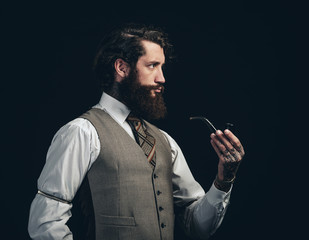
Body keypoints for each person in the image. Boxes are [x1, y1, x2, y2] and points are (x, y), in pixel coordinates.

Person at [28, 23, 245, 240]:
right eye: (152, 66)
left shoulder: (165, 141)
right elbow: (46, 222)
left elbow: (197, 227)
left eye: (162, 67)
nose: (162, 78)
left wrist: (224, 179)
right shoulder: (81, 132)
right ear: (122, 68)